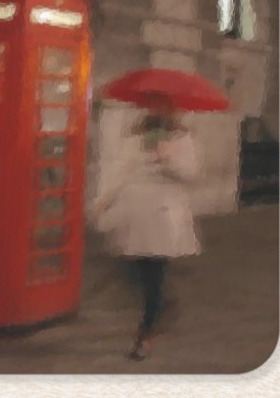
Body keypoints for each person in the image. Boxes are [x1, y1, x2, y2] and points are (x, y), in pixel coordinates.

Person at [91, 93, 201, 361]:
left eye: (164, 105)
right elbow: (120, 172)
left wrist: (167, 158)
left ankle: (145, 334)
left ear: (173, 110)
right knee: (135, 272)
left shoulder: (181, 139)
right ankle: (160, 304)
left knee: (154, 275)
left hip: (162, 216)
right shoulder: (136, 137)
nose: (158, 110)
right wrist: (101, 201)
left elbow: (192, 174)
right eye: (154, 105)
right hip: (134, 213)